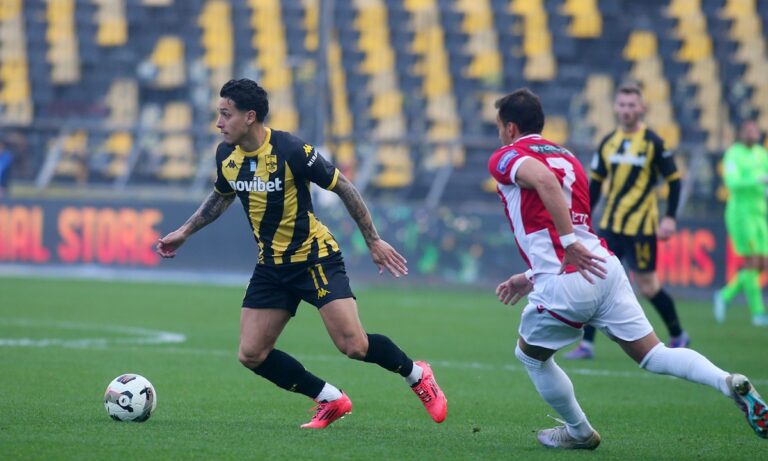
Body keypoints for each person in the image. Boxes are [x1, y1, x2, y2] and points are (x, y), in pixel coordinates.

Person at [156, 79, 447, 429]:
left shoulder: (291, 150)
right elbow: (222, 194)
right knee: (251, 354)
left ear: (250, 117)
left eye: (225, 114)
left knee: (354, 346)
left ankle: (417, 374)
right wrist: (185, 232)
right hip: (271, 267)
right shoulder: (226, 155)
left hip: (314, 260)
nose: (219, 123)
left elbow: (344, 187)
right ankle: (330, 399)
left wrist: (373, 240)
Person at [488, 88, 768, 449]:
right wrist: (531, 275)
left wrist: (567, 244)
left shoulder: (507, 155)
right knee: (654, 354)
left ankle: (578, 432)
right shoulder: (567, 157)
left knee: (531, 357)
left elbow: (545, 183)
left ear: (511, 127)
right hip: (603, 267)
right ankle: (726, 382)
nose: (499, 133)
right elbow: (569, 220)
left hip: (568, 280)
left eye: (499, 126)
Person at [565, 82, 689, 360]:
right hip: (611, 225)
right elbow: (595, 185)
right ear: (615, 107)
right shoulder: (608, 142)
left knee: (648, 286)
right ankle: (587, 345)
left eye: (631, 105)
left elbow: (674, 180)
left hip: (642, 227)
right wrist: (582, 221)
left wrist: (670, 217)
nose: (626, 110)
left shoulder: (654, 143)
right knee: (596, 278)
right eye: (622, 105)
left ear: (642, 108)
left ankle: (678, 333)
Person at [714, 119, 768, 326]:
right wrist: (757, 180)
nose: (753, 133)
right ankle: (758, 313)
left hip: (759, 214)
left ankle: (725, 295)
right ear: (740, 134)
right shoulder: (733, 154)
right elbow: (732, 182)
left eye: (755, 130)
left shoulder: (762, 154)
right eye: (748, 130)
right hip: (741, 215)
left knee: (763, 263)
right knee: (752, 262)